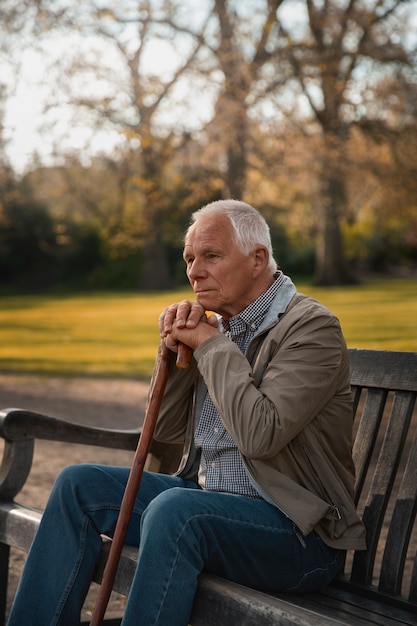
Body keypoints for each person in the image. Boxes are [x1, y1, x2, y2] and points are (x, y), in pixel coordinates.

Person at [7, 199, 366, 626]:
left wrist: (211, 346)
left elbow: (260, 434)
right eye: (190, 259)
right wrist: (174, 353)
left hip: (296, 538)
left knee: (176, 510)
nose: (195, 271)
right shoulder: (222, 323)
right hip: (205, 506)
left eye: (211, 256)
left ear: (258, 260)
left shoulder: (311, 328)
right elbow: (166, 431)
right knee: (77, 485)